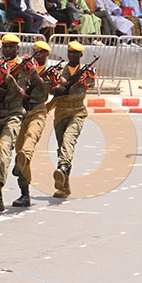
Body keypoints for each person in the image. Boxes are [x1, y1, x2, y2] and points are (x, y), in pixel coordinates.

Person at [0, 34, 28, 215]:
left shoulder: (24, 66)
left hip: (14, 114)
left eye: (12, 47)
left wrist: (11, 81)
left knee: (4, 151)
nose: (8, 50)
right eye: (5, 47)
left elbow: (26, 91)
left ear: (18, 48)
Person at [12, 41, 56, 207]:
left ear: (47, 54)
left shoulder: (51, 72)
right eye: (36, 51)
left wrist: (34, 73)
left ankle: (23, 158)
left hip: (38, 110)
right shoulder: (23, 68)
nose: (38, 54)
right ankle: (25, 193)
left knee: (31, 138)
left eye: (42, 52)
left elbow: (45, 90)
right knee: (20, 150)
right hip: (21, 110)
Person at [50, 41, 96, 198]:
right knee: (62, 147)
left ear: (81, 55)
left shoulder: (87, 71)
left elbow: (88, 84)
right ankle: (64, 185)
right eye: (70, 52)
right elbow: (50, 87)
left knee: (68, 141)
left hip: (77, 112)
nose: (72, 55)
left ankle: (63, 168)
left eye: (75, 53)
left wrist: (74, 80)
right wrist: (57, 88)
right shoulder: (59, 69)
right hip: (60, 112)